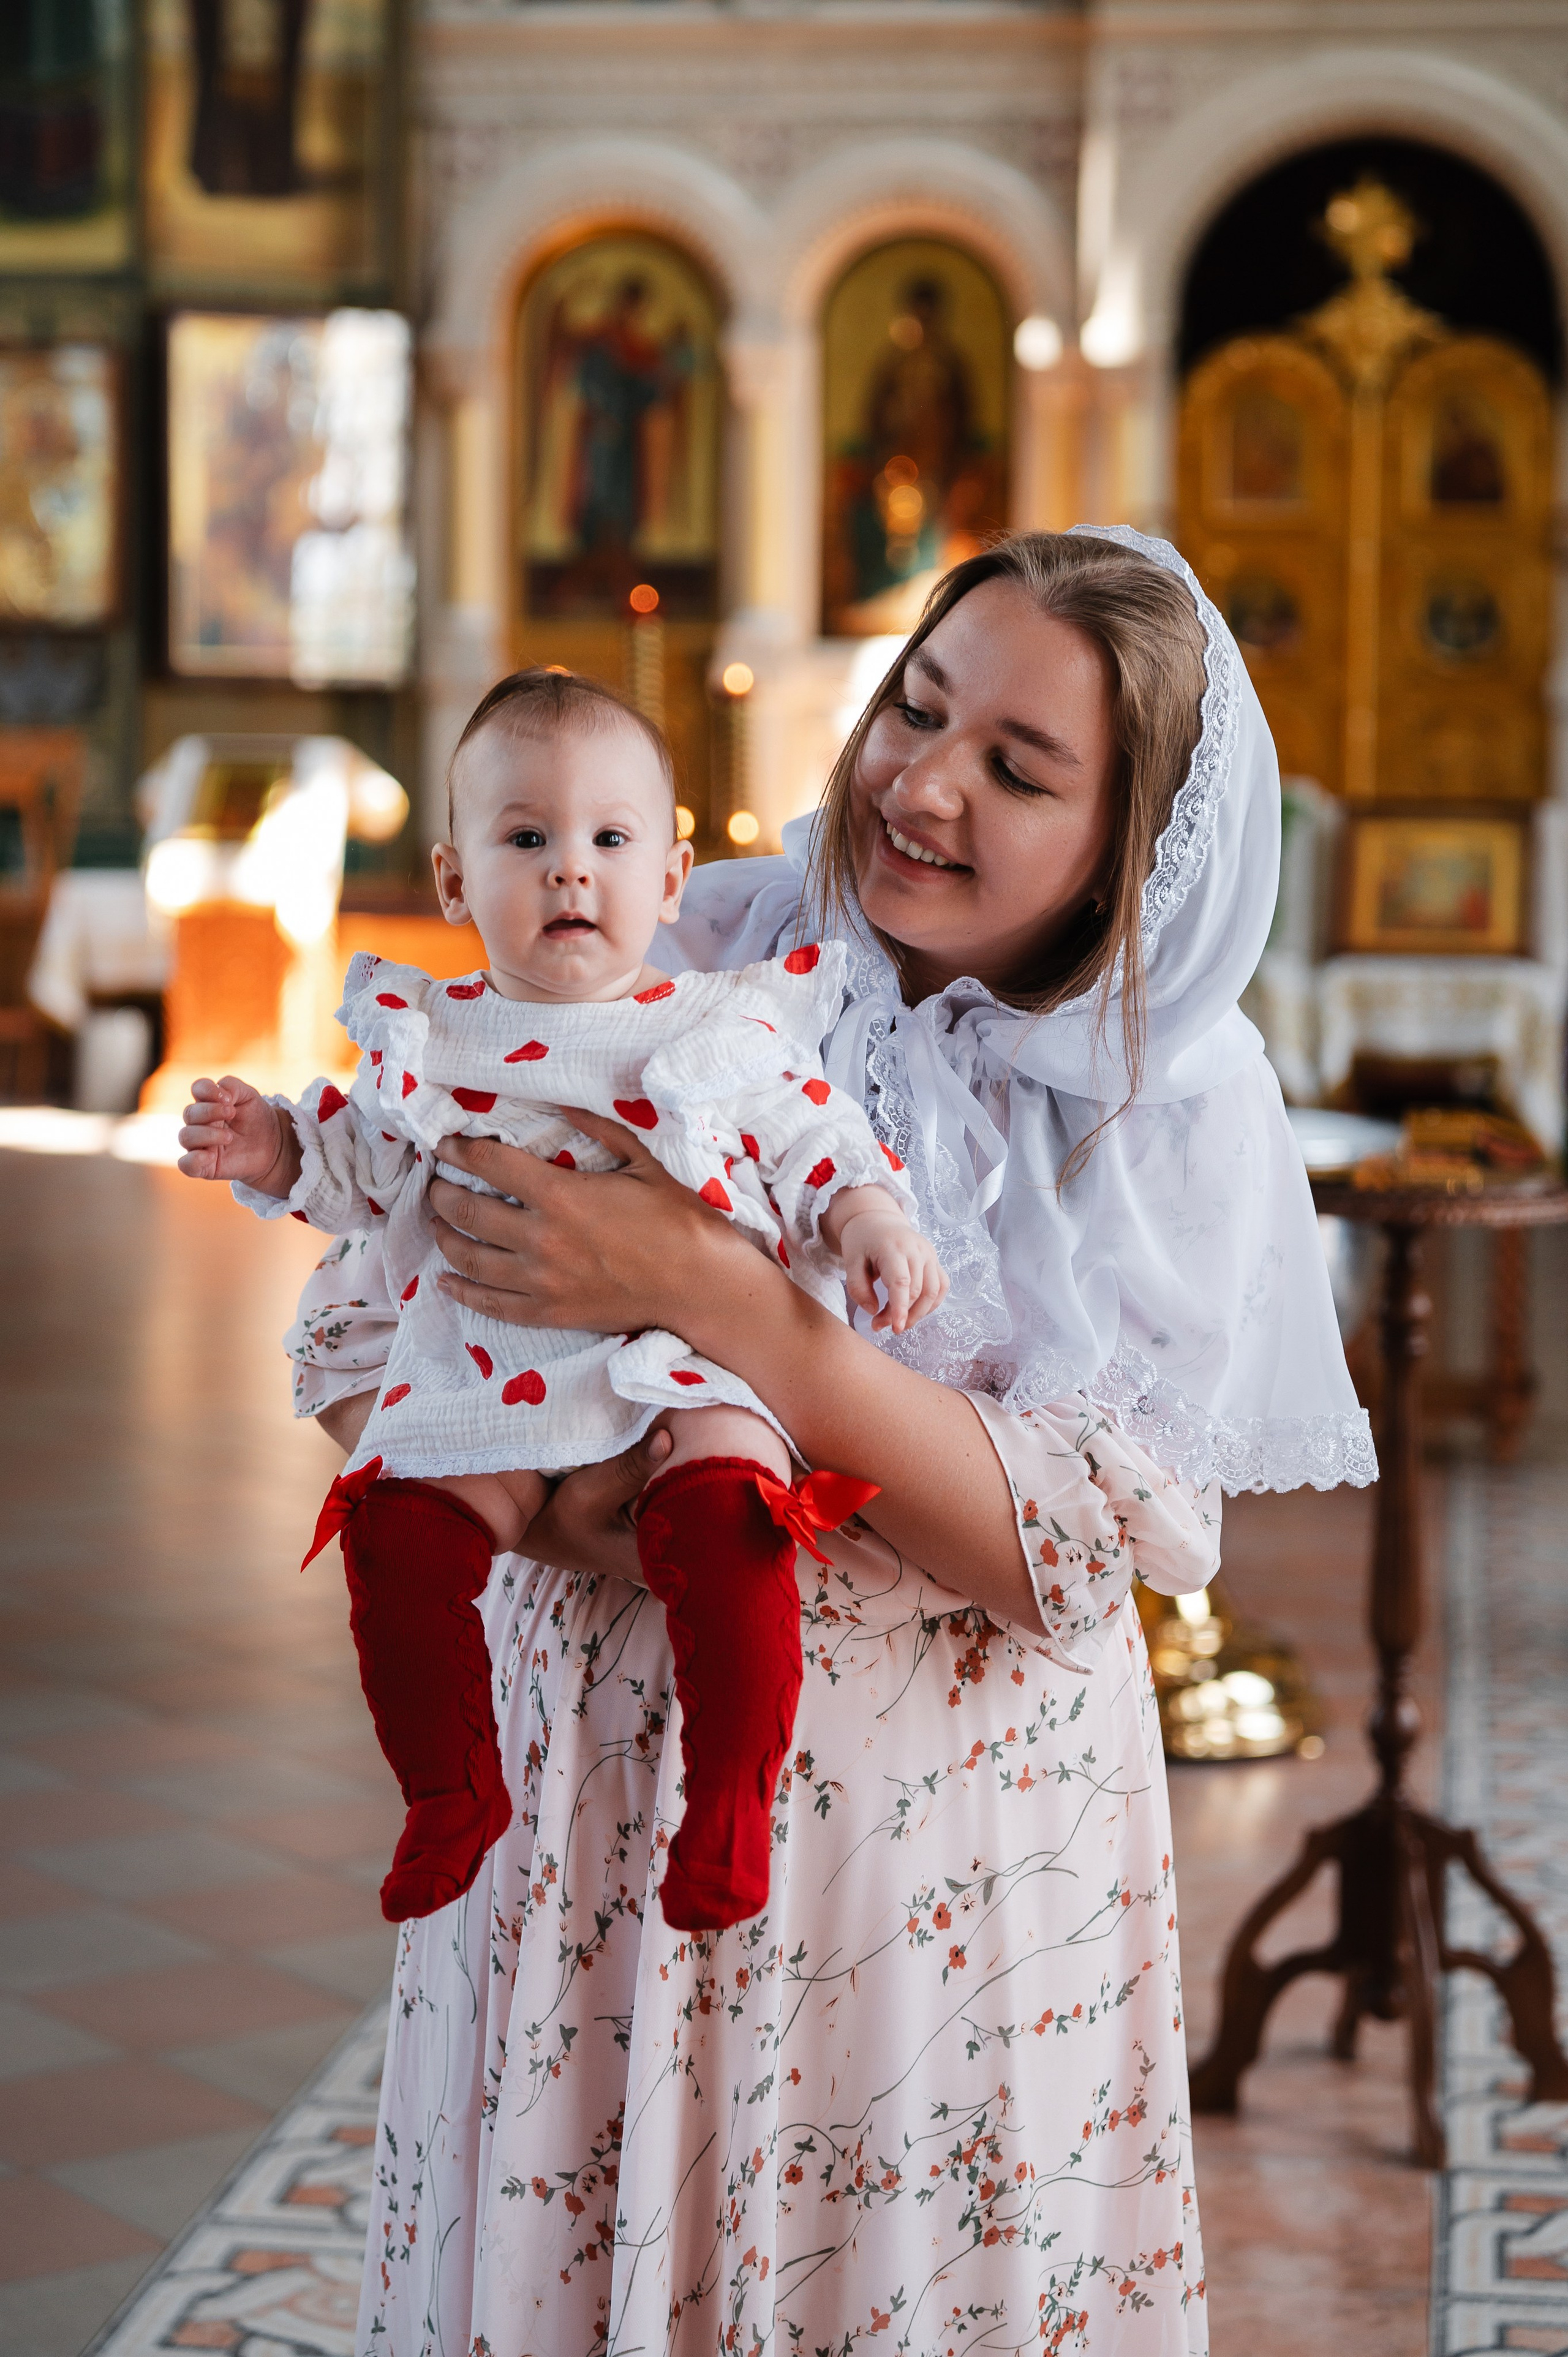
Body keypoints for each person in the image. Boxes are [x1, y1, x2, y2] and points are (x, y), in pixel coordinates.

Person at [293, 529, 1372, 2353]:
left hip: (937, 1867)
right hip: (595, 1819)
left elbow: (1073, 1553)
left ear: (1132, 847)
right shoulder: (697, 937)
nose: (921, 783)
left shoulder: (1168, 1114)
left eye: (1019, 768)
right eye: (918, 707)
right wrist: (552, 1508)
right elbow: (360, 1305)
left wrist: (715, 1297)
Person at [175, 669, 942, 1930]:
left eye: (608, 840)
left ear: (673, 876)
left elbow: (822, 1147)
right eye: (525, 839)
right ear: (453, 881)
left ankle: (732, 1798)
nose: (569, 872)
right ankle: (448, 1787)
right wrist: (269, 1145)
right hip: (490, 1364)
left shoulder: (717, 1030)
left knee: (734, 1506)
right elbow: (358, 1158)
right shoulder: (430, 1035)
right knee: (396, 1528)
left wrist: (866, 1220)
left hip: (681, 1366)